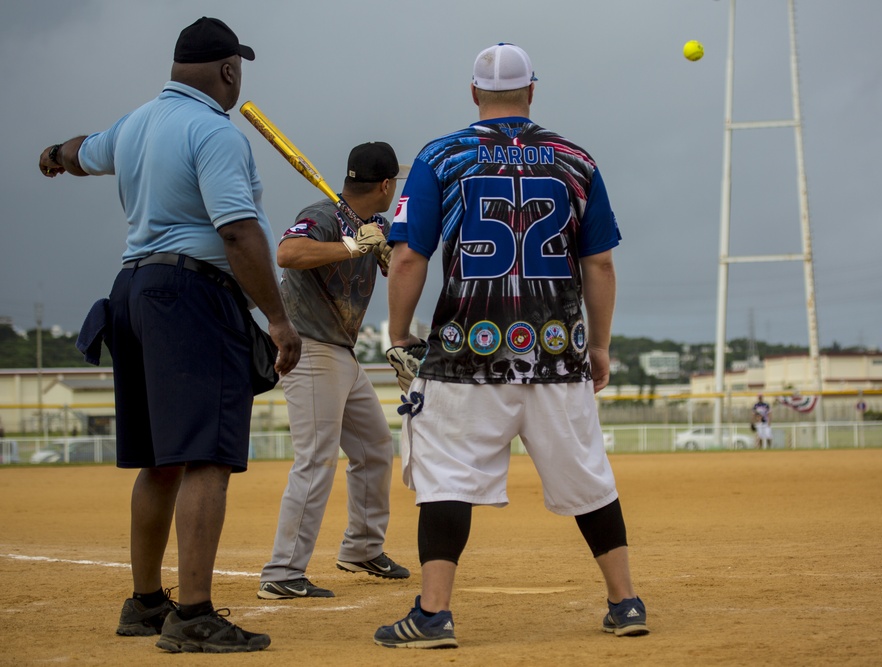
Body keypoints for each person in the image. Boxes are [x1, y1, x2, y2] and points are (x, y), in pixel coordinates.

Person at [37, 17, 301, 653]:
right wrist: (278, 318)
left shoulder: (135, 124)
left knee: (161, 460)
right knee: (207, 455)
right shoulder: (215, 132)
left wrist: (53, 156)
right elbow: (237, 230)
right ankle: (195, 614)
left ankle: (147, 601)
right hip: (189, 295)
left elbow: (81, 150)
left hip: (132, 292)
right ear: (229, 70)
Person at [374, 43, 648, 649]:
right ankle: (626, 601)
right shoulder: (575, 161)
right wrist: (597, 346)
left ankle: (433, 615)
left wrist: (398, 334)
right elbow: (598, 263)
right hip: (558, 352)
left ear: (474, 93)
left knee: (446, 479)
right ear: (532, 92)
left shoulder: (442, 156)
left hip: (465, 353)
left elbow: (408, 255)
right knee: (588, 479)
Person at [258, 142, 410, 600]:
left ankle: (362, 548)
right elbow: (287, 253)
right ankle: (282, 572)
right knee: (317, 459)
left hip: (342, 351)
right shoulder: (323, 215)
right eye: (393, 184)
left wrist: (384, 253)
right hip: (309, 348)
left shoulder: (375, 223)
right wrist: (349, 244)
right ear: (384, 186)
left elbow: (391, 265)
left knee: (375, 448)